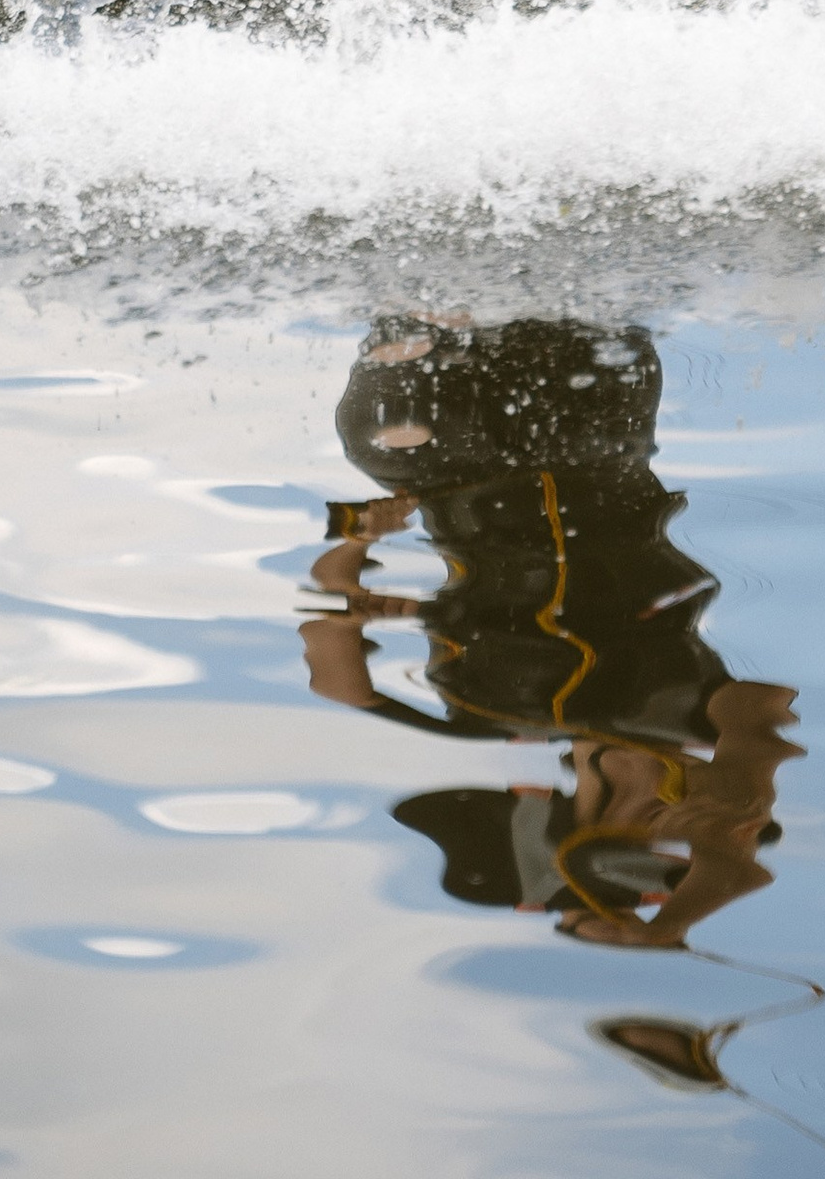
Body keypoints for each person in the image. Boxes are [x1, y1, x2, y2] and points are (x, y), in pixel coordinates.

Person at [300, 314, 797, 948]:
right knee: (581, 313)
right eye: (683, 837)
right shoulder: (698, 712)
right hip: (594, 442)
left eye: (641, 833)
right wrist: (683, 911)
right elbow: (752, 813)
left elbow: (336, 682)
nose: (667, 823)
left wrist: (359, 541)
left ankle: (420, 310)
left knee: (408, 402)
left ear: (564, 822)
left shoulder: (491, 712)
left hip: (448, 460)